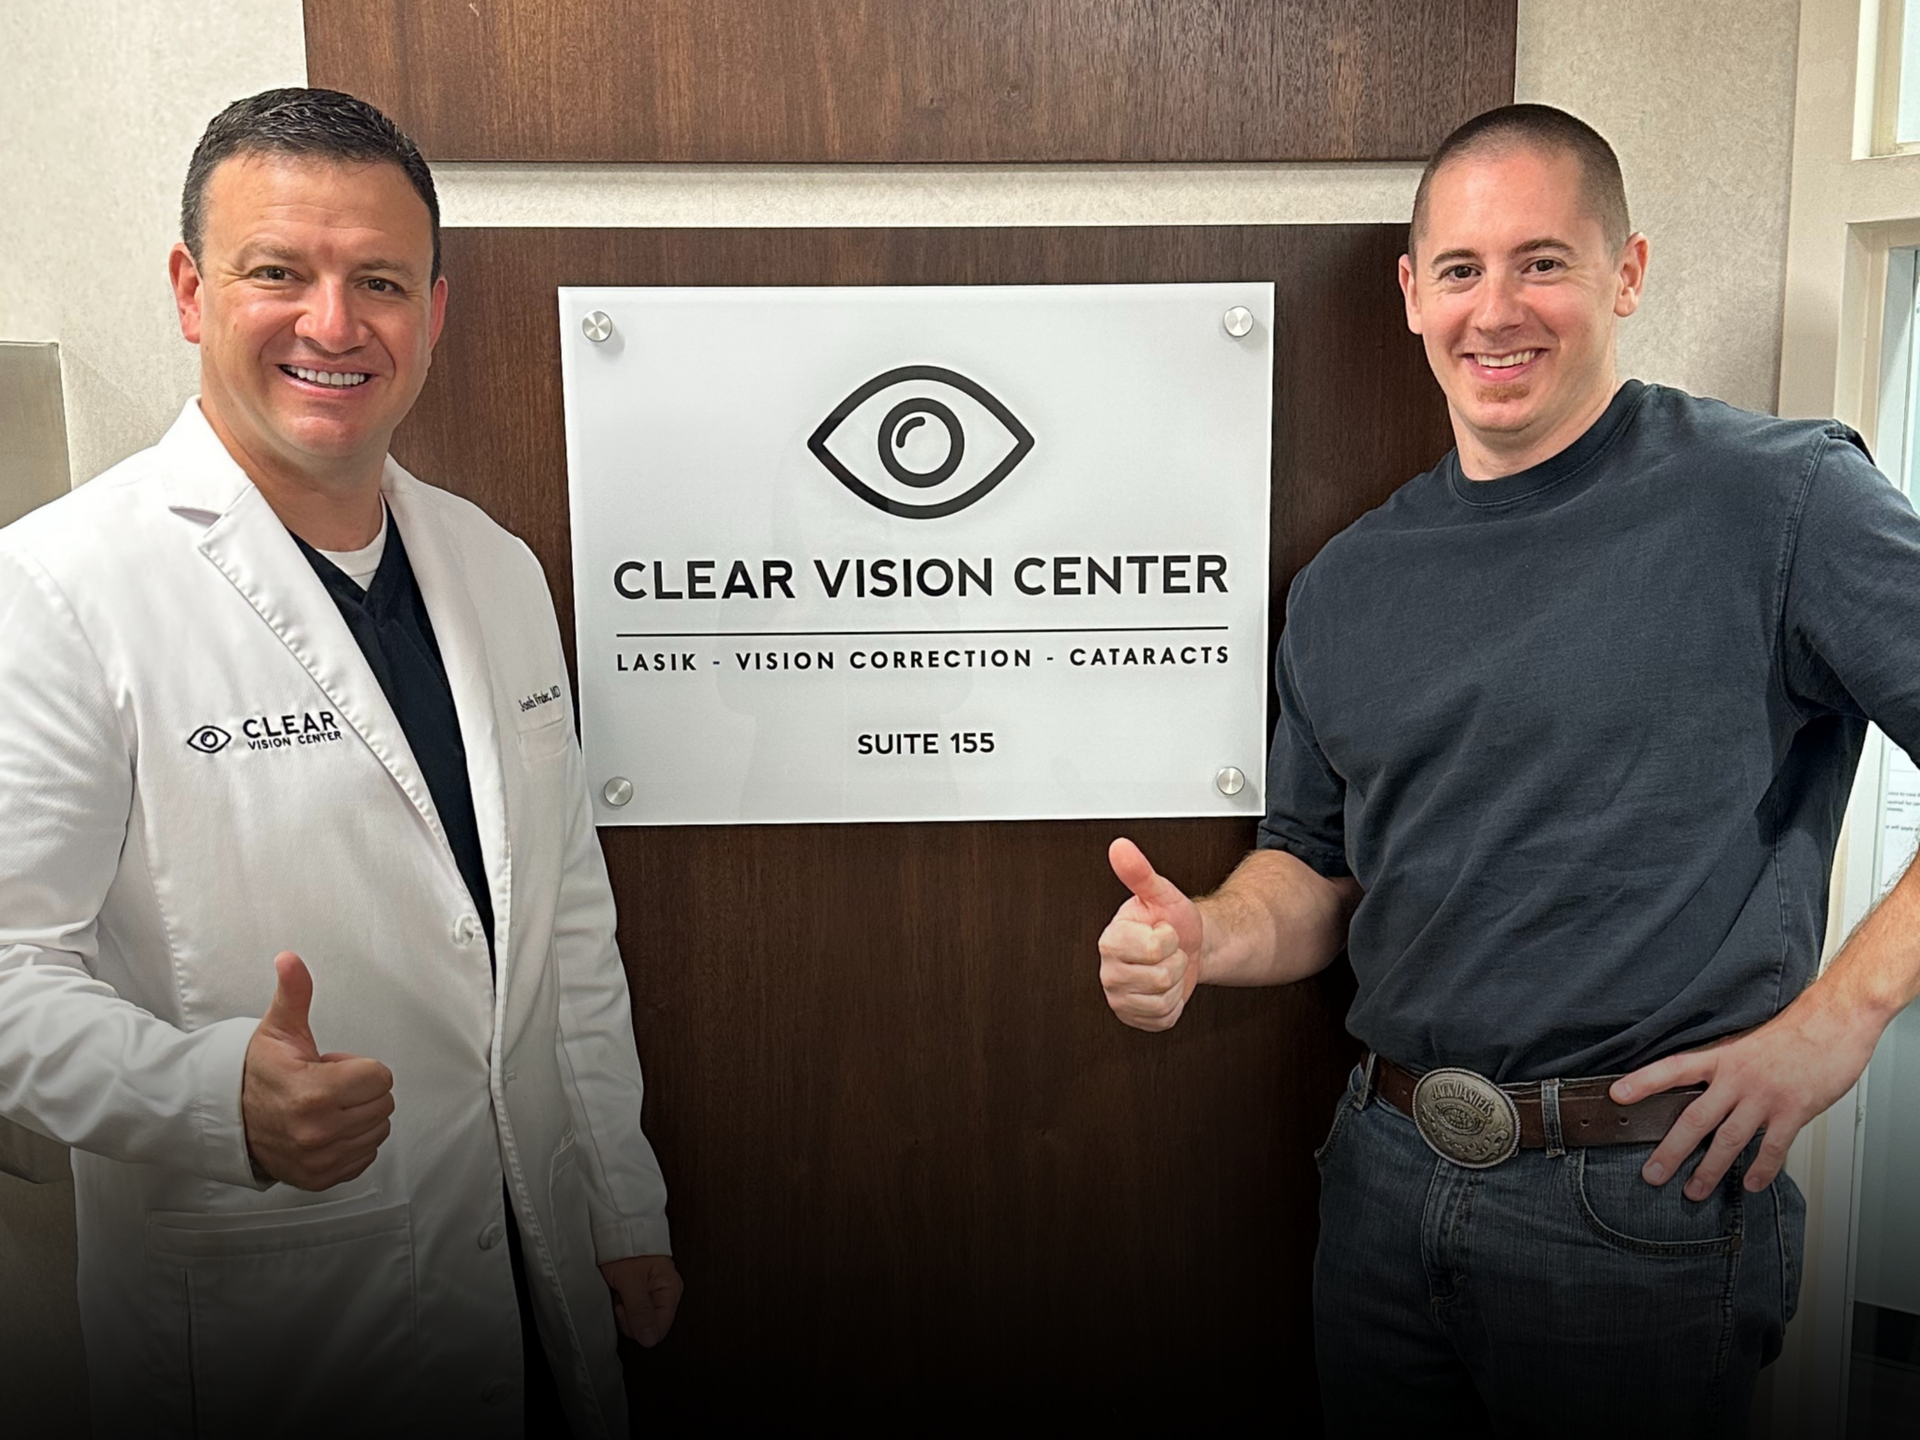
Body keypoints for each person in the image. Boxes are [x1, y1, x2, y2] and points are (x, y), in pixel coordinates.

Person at [1098, 102, 1920, 1435]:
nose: (1499, 311)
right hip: (1382, 1177)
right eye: (1465, 270)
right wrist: (1205, 938)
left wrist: (1843, 1020)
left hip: (1642, 1210)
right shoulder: (1352, 579)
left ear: (1627, 274)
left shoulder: (1779, 501)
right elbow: (1314, 871)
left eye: (1544, 261)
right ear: (1413, 293)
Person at [0, 88, 680, 1438]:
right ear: (193, 292)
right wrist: (209, 1098)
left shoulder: (493, 566)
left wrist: (618, 1198)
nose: (332, 321)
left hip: (534, 1276)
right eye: (278, 272)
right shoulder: (60, 587)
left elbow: (564, 913)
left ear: (434, 312)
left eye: (378, 279)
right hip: (273, 1318)